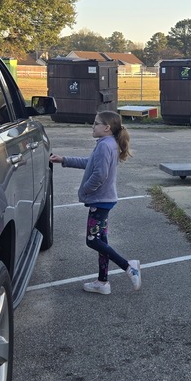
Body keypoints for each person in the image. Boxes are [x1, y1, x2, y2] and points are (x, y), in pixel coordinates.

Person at [50, 110, 141, 295]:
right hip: (105, 200)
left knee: (92, 241)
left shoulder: (104, 146)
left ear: (107, 128)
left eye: (96, 123)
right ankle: (102, 282)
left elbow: (99, 175)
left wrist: (85, 190)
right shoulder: (109, 143)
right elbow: (90, 163)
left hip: (100, 201)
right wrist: (63, 160)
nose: (93, 126)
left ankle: (128, 266)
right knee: (101, 240)